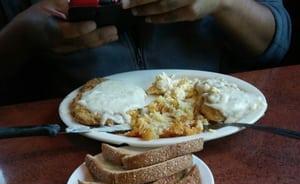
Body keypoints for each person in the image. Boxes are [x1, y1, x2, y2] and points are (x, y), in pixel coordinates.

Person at [0, 0, 291, 104]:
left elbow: (275, 44)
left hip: (210, 124)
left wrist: (224, 3)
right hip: (72, 144)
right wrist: (21, 35)